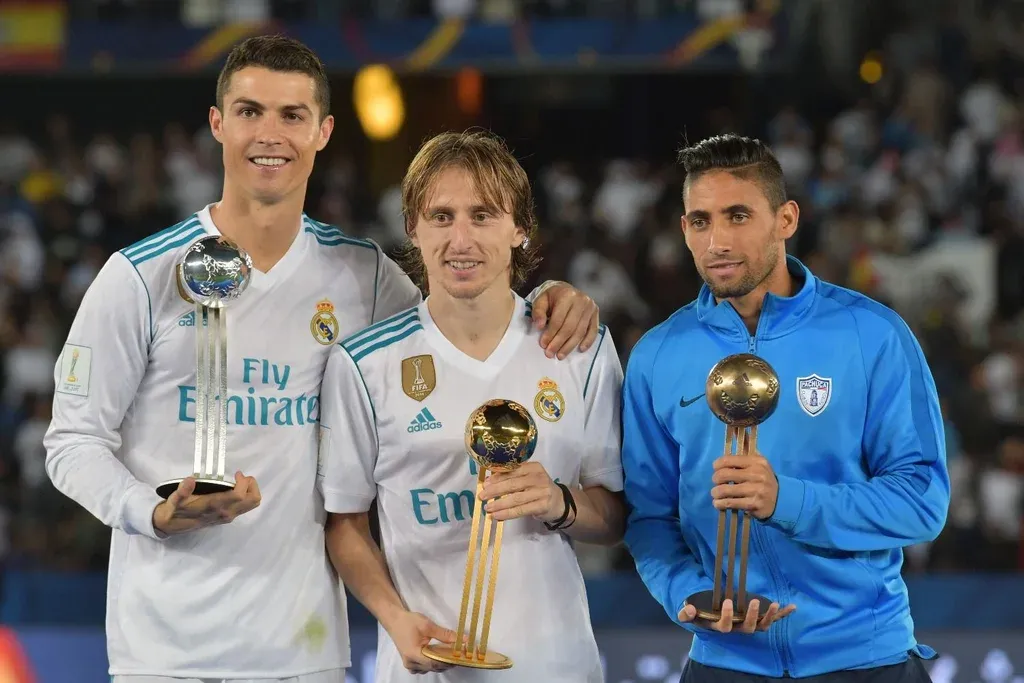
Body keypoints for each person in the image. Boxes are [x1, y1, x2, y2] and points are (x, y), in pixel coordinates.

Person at [43, 36, 600, 683]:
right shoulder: (139, 276)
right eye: (249, 111)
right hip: (162, 652)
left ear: (324, 131)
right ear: (217, 123)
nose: (270, 134)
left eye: (292, 115)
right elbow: (71, 441)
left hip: (305, 650)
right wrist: (150, 510)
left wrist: (549, 301)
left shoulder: (365, 275)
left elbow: (463, 324)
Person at [620, 134, 950, 682]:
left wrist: (786, 501)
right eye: (700, 221)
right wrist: (690, 594)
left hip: (865, 658)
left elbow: (922, 501)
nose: (717, 240)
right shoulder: (657, 354)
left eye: (738, 215)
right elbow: (647, 516)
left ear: (786, 219)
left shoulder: (871, 334)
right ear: (684, 229)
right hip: (724, 660)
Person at [316, 130, 626, 682]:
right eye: (441, 216)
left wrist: (557, 501)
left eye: (482, 216)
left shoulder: (579, 346)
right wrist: (395, 618)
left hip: (556, 666)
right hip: (425, 670)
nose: (460, 239)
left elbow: (615, 516)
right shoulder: (362, 364)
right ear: (412, 228)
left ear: (520, 228)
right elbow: (345, 524)